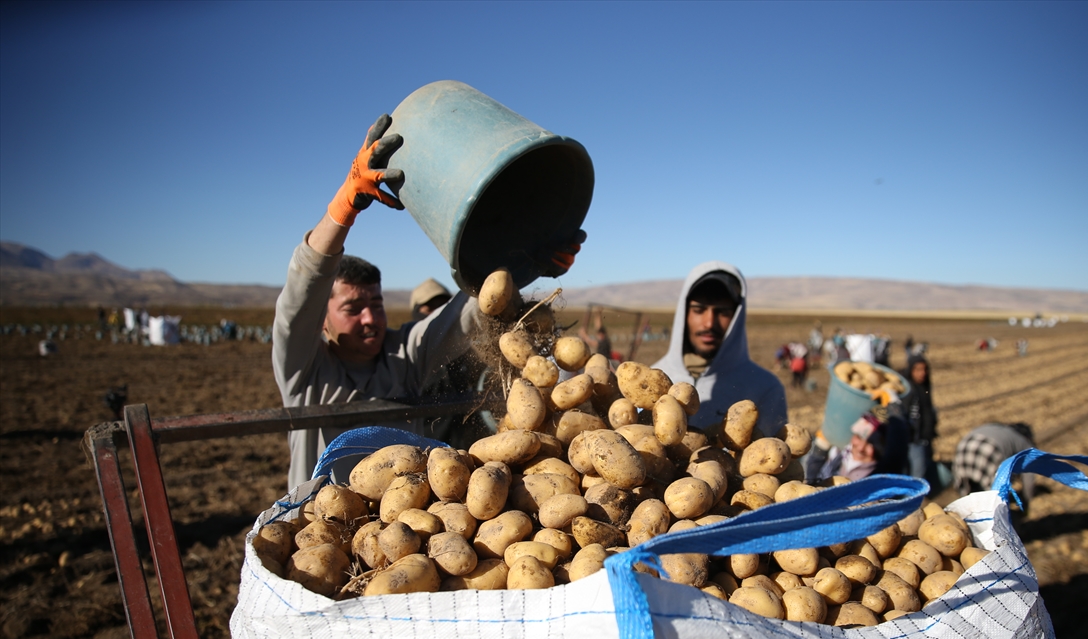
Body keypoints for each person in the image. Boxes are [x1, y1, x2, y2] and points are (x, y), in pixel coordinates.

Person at [273, 113, 581, 488]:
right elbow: (300, 299)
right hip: (320, 531)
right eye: (353, 309)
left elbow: (466, 312)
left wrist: (522, 264)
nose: (370, 318)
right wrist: (341, 210)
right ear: (322, 320)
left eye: (376, 303)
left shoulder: (404, 357)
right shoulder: (305, 373)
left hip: (406, 531)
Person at [652, 261, 787, 433]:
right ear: (684, 313)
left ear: (737, 317)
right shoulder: (653, 379)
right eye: (699, 310)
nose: (709, 323)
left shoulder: (765, 388)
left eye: (723, 312)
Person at [804, 408, 908, 482]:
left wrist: (895, 410)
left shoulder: (880, 476)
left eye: (871, 444)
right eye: (859, 437)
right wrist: (819, 451)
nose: (861, 448)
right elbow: (812, 482)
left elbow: (896, 455)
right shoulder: (837, 455)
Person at [953, 422, 1036, 506]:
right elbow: (1028, 476)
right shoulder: (1024, 442)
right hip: (989, 450)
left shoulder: (998, 428)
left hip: (964, 446)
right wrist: (1026, 501)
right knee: (993, 497)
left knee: (967, 493)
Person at [901, 355, 938, 486]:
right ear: (911, 370)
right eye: (918, 369)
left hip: (924, 439)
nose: (922, 373)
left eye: (924, 369)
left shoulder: (924, 387)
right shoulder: (908, 390)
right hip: (913, 440)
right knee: (916, 477)